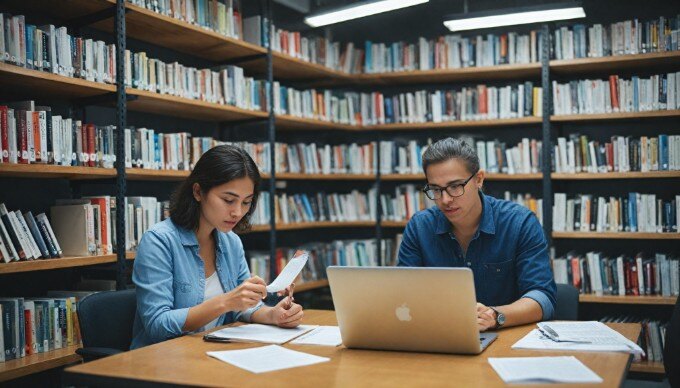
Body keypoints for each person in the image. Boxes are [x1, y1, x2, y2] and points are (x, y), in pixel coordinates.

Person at [131, 145, 303, 349]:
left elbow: (244, 308)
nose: (238, 212)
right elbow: (157, 325)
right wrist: (226, 302)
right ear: (198, 192)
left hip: (211, 350)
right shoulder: (159, 241)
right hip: (163, 360)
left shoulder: (231, 242)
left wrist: (273, 314)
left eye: (246, 202)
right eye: (228, 200)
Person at [398, 137, 556, 332]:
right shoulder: (419, 227)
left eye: (455, 186)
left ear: (479, 179)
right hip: (439, 338)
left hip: (504, 341)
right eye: (436, 190)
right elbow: (403, 295)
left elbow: (543, 298)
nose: (445, 199)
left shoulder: (520, 223)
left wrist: (494, 316)